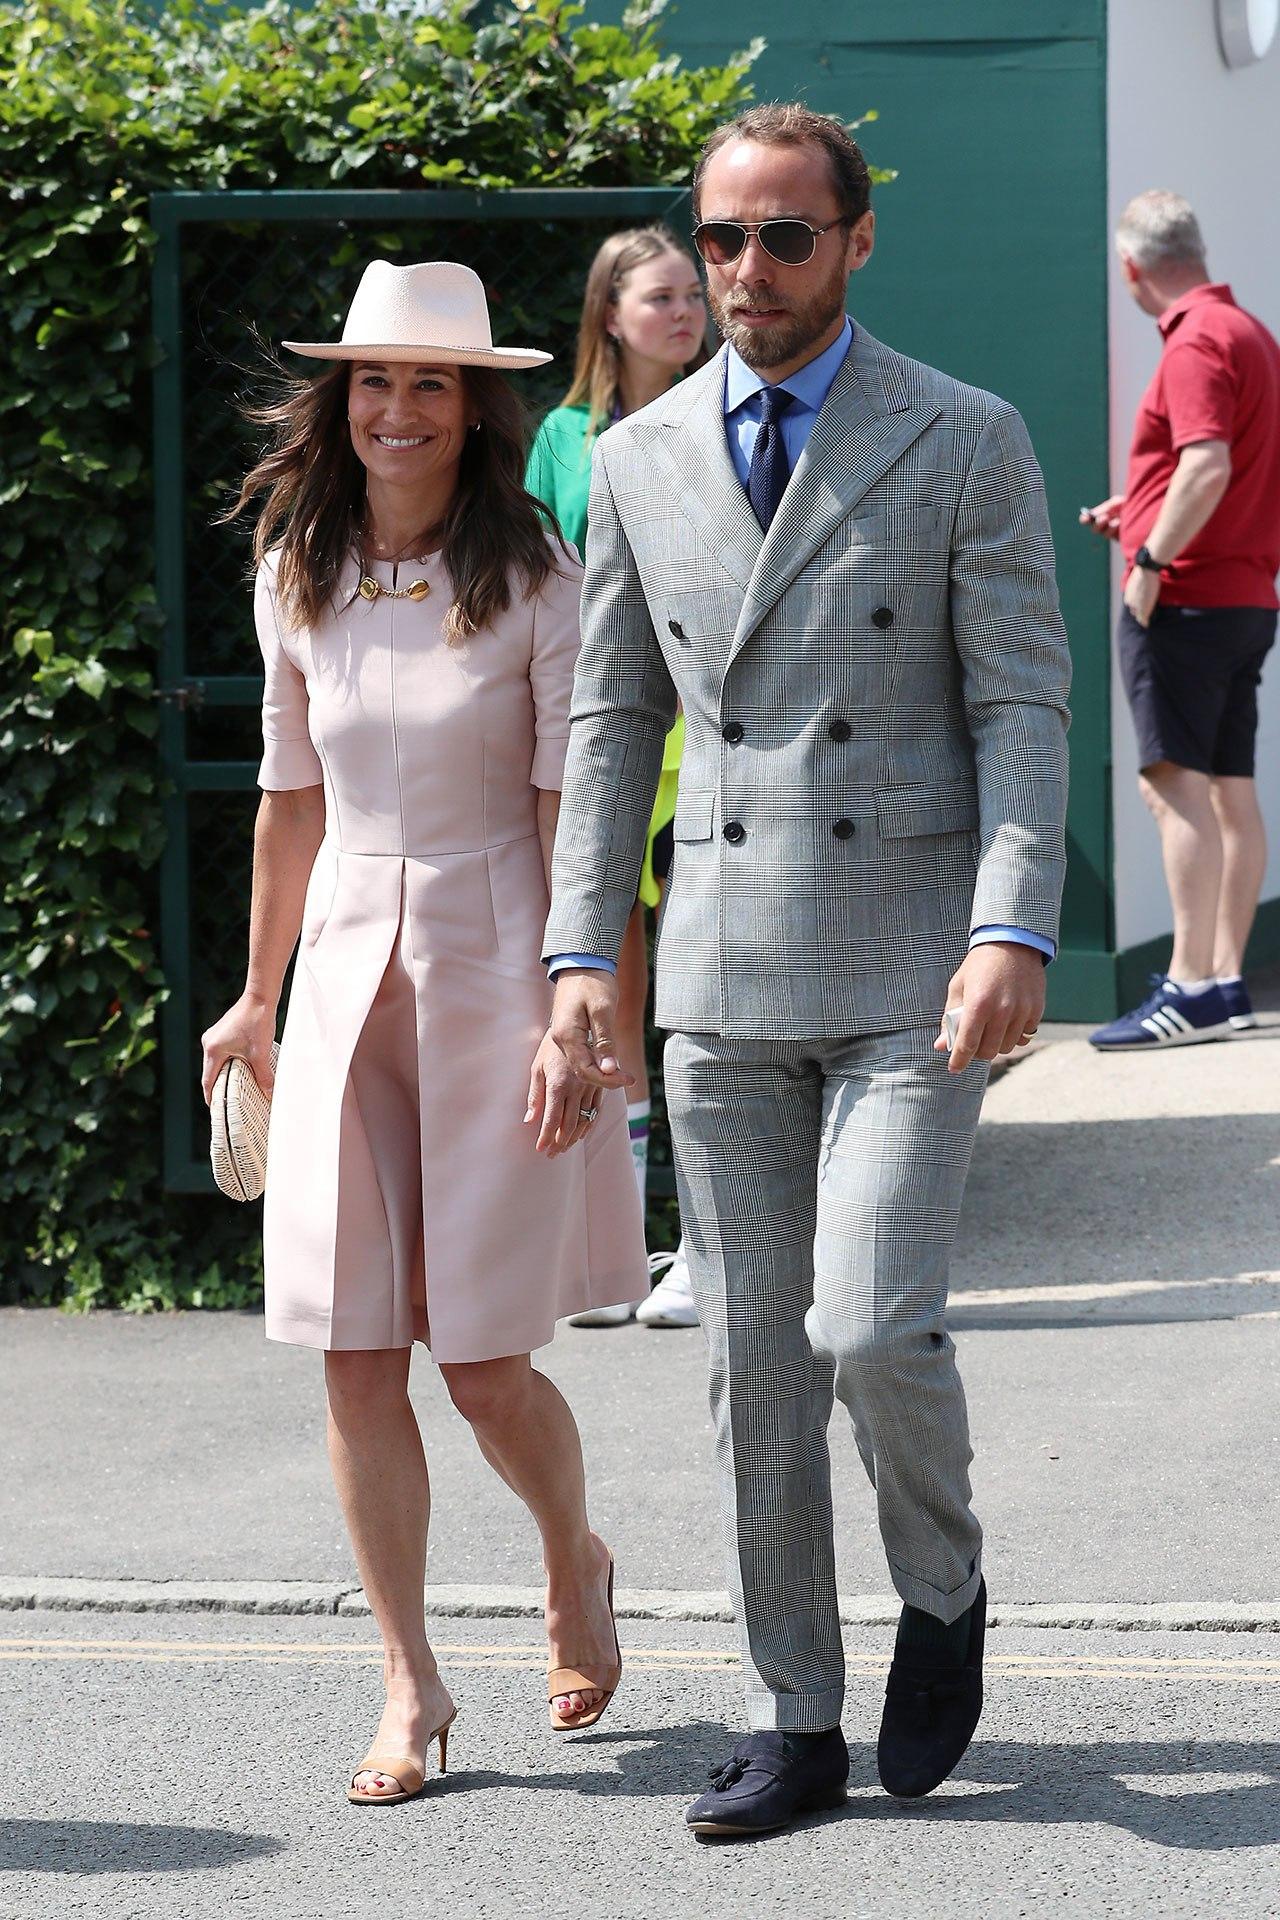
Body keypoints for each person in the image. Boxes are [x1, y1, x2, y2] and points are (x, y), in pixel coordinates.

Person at [542, 104, 1070, 1837]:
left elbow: (1021, 703)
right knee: (754, 1361)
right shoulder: (640, 459)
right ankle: (797, 1711)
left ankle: (942, 1586)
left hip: (916, 962)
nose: (746, 269)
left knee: (866, 1326)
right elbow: (613, 716)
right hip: (721, 965)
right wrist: (579, 958)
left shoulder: (964, 433)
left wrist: (1013, 923)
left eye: (784, 236)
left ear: (855, 242)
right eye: (721, 238)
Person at [200, 259, 646, 1806]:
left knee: (483, 1366)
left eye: (431, 385)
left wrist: (581, 1015)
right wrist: (254, 995)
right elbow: (289, 801)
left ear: (476, 410)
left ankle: (570, 1558)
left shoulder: (537, 573)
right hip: (338, 979)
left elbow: (572, 814)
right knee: (350, 1352)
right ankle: (410, 1682)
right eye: (375, 382)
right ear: (342, 401)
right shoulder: (294, 566)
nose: (397, 409)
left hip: (498, 969)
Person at [526, 225, 707, 1329]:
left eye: (692, 293)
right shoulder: (559, 436)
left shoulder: (731, 411)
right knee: (609, 991)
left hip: (715, 741)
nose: (684, 311)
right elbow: (546, 584)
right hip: (604, 739)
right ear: (610, 314)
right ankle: (613, 1247)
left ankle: (703, 1247)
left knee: (703, 998)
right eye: (661, 296)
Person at [1084, 190, 1280, 1051]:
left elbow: (1207, 462)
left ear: (1133, 268)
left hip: (1188, 598)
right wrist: (1144, 505)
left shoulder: (1195, 340)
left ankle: (1189, 984)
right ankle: (1227, 982)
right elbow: (1214, 469)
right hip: (1243, 597)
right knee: (1231, 790)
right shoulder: (1248, 333)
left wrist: (1151, 563)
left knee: (1172, 790)